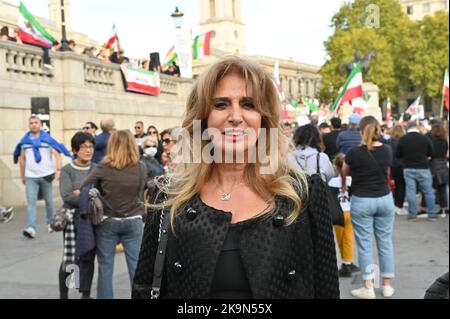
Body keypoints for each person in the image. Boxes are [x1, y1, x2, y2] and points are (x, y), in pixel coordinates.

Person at [132, 56, 339, 299]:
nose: (236, 116)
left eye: (249, 104)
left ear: (264, 120)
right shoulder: (169, 196)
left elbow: (327, 291)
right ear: (202, 118)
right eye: (221, 104)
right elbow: (144, 289)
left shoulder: (304, 193)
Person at [82, 130, 147, 299]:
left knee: (105, 267)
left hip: (108, 221)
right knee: (136, 268)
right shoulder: (141, 166)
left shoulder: (104, 166)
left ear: (112, 145)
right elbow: (141, 193)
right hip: (134, 220)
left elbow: (85, 186)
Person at [344, 116, 396, 299]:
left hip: (362, 200)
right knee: (385, 243)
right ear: (378, 130)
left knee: (364, 245)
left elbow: (345, 171)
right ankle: (387, 286)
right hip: (384, 198)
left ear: (360, 129)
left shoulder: (354, 153)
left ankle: (368, 287)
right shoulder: (387, 150)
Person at [14, 116, 72, 238]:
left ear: (40, 125)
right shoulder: (25, 141)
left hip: (47, 175)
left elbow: (57, 155)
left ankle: (50, 223)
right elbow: (22, 160)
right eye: (31, 123)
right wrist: (22, 175)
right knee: (31, 202)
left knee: (49, 201)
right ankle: (31, 228)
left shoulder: (47, 139)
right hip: (31, 176)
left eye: (36, 123)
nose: (34, 125)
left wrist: (58, 170)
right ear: (29, 125)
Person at [58, 132, 96, 299]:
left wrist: (79, 192)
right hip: (73, 219)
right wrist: (86, 195)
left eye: (91, 147)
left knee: (88, 256)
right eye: (84, 147)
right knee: (71, 258)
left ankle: (85, 294)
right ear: (75, 150)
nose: (88, 150)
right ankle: (64, 294)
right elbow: (66, 196)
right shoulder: (67, 170)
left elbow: (100, 194)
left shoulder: (96, 169)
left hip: (91, 218)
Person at [396, 121, 437, 220]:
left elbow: (398, 155)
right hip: (423, 167)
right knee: (428, 191)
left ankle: (412, 213)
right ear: (417, 127)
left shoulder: (402, 139)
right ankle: (432, 214)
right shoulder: (424, 138)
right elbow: (432, 153)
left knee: (411, 192)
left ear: (408, 128)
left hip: (408, 168)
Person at [328, 154, 359, 277]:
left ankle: (346, 263)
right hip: (351, 212)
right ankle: (348, 261)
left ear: (335, 167)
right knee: (349, 239)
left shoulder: (331, 182)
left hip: (337, 213)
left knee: (341, 240)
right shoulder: (352, 181)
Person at [429, 123, 448, 217]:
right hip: (443, 165)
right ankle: (443, 208)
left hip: (434, 165)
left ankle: (429, 207)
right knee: (443, 188)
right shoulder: (445, 142)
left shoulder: (432, 142)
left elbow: (430, 154)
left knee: (432, 188)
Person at [389, 125, 407, 215]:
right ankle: (400, 205)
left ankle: (396, 204)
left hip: (393, 165)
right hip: (402, 165)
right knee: (402, 186)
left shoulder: (390, 142)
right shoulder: (403, 142)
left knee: (396, 185)